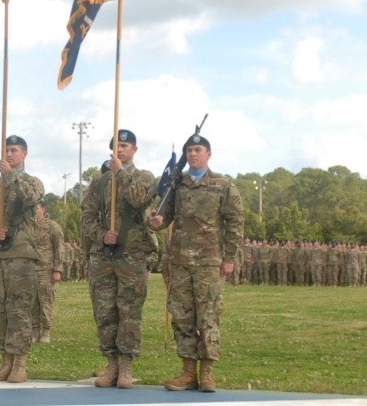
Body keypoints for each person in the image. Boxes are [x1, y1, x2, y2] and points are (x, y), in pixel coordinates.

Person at [148, 133, 244, 391]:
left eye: (198, 150)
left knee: (208, 317)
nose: (193, 154)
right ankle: (188, 372)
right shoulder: (176, 184)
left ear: (208, 154)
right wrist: (157, 221)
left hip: (208, 262)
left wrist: (230, 257)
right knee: (182, 317)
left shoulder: (222, 185)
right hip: (179, 262)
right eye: (189, 150)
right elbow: (164, 216)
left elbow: (235, 222)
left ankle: (208, 373)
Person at [81, 130, 156, 388]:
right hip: (103, 256)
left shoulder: (144, 177)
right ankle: (111, 363)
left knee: (129, 311)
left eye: (124, 146)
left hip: (131, 255)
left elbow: (138, 199)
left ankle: (126, 365)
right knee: (104, 311)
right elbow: (87, 218)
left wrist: (121, 173)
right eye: (116, 147)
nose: (120, 151)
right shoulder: (99, 183)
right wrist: (102, 235)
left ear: (134, 149)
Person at [0, 135, 46, 382]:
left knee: (19, 309)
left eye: (14, 150)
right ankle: (4, 361)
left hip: (22, 255)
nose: (9, 154)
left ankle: (19, 362)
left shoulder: (33, 182)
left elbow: (31, 198)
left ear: (25, 154)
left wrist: (12, 176)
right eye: (6, 150)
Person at [36, 202, 65, 343]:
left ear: (43, 209)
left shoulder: (52, 226)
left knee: (46, 300)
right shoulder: (26, 227)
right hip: (29, 270)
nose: (34, 212)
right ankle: (35, 330)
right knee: (31, 302)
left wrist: (57, 269)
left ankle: (46, 331)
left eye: (36, 208)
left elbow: (59, 248)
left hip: (46, 270)